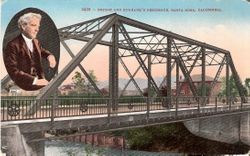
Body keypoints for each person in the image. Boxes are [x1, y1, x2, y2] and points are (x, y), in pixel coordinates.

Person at [3, 12, 56, 90]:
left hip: (40, 83)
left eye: (38, 26)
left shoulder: (36, 41)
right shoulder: (13, 45)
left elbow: (42, 51)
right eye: (33, 25)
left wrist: (50, 56)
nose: (37, 29)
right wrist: (35, 81)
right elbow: (13, 71)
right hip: (24, 85)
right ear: (23, 26)